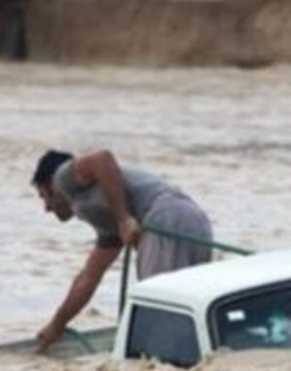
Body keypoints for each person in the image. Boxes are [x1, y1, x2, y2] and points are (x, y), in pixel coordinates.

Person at [30, 149, 214, 352]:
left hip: (165, 216)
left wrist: (123, 218)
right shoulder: (106, 224)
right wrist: (57, 325)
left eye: (42, 197)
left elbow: (102, 158)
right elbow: (88, 278)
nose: (46, 208)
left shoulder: (62, 178)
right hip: (194, 220)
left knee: (157, 306)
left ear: (49, 185)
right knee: (184, 306)